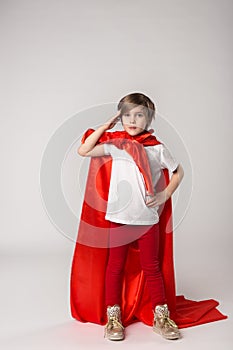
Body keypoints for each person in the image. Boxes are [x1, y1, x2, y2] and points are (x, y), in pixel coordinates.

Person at [76, 92, 184, 341]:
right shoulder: (117, 145)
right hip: (119, 217)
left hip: (146, 219)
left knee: (152, 267)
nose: (132, 120)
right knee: (115, 268)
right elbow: (84, 150)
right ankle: (114, 317)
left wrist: (165, 194)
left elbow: (178, 172)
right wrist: (106, 126)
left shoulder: (157, 149)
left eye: (139, 115)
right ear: (120, 117)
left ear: (149, 119)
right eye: (127, 115)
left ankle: (161, 316)